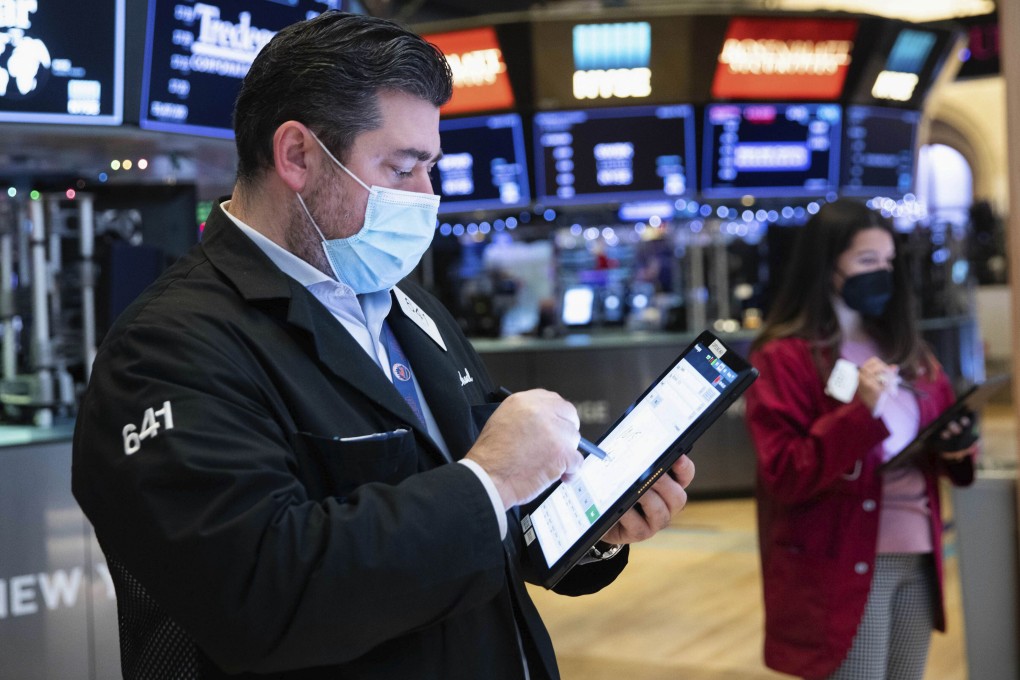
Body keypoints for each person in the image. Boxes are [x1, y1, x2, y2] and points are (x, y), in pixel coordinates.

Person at [70, 11, 695, 680]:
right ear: (298, 156)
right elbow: (259, 598)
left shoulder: (404, 304)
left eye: (431, 167)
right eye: (403, 168)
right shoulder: (168, 347)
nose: (428, 196)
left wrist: (584, 525)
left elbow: (487, 532)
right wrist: (490, 481)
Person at [744, 199, 978, 680]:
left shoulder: (907, 349)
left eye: (888, 262)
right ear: (827, 266)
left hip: (918, 554)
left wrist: (957, 446)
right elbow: (785, 472)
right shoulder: (783, 357)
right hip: (841, 562)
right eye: (867, 261)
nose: (882, 274)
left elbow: (939, 431)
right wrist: (858, 413)